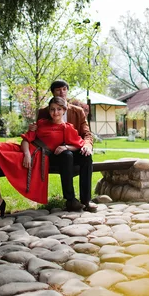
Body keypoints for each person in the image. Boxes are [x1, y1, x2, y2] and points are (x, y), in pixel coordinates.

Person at [33, 79, 97, 212]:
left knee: (86, 156)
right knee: (66, 155)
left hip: (74, 147)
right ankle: (71, 200)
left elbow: (87, 133)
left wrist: (87, 145)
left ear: (67, 91)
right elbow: (38, 134)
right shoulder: (44, 112)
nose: (62, 92)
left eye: (64, 89)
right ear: (53, 93)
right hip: (53, 153)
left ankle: (86, 200)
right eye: (58, 90)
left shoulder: (78, 111)